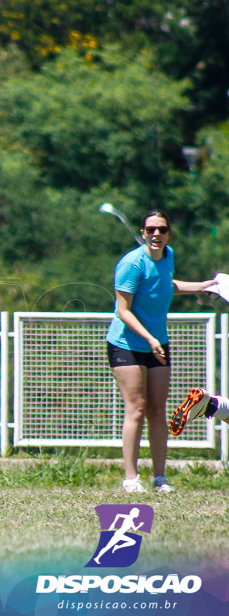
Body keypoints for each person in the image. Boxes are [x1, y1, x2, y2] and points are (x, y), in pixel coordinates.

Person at [105, 209, 215, 493]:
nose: (156, 234)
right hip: (127, 343)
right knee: (137, 407)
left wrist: (202, 287)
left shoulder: (169, 256)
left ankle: (159, 477)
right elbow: (123, 311)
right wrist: (150, 339)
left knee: (157, 409)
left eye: (162, 229)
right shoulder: (132, 263)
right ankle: (130, 478)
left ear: (168, 233)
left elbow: (165, 286)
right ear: (143, 232)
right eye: (151, 229)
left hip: (157, 341)